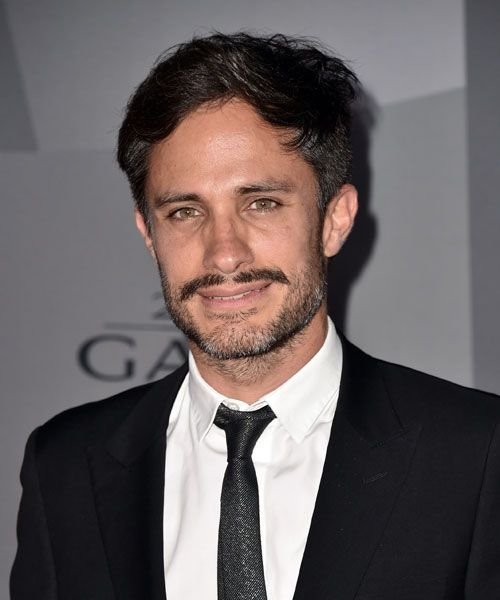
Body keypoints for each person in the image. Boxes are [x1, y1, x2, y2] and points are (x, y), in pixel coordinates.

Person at [10, 32, 500, 600]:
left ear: (334, 220)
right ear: (148, 233)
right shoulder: (65, 466)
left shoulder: (475, 454)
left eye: (261, 203)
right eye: (185, 211)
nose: (224, 254)